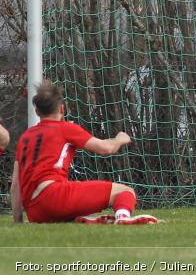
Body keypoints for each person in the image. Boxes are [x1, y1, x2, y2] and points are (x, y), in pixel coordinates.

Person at [10, 81, 156, 224]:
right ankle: (123, 217)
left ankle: (85, 219)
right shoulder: (65, 128)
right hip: (54, 196)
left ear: (36, 111)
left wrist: (18, 220)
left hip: (35, 211)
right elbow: (106, 148)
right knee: (125, 192)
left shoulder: (25, 137)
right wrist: (120, 139)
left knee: (76, 206)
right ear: (62, 109)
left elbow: (16, 183)